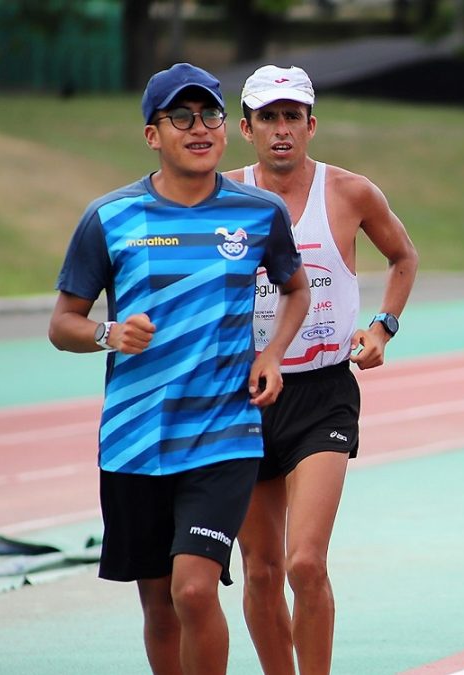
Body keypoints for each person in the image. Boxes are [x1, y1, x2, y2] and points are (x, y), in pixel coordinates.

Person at [48, 62, 311, 675]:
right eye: (182, 117)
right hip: (135, 440)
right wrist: (109, 334)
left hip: (224, 436)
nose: (200, 128)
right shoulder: (110, 218)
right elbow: (64, 322)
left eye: (211, 115)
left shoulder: (258, 213)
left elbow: (295, 290)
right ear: (152, 134)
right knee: (161, 604)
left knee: (194, 590)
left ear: (225, 128)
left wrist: (271, 355)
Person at [223, 64, 418, 675]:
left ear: (311, 125)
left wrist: (383, 325)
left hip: (323, 390)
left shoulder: (350, 192)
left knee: (304, 561)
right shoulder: (221, 195)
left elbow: (403, 257)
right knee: (260, 567)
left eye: (292, 117)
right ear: (246, 128)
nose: (281, 130)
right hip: (244, 396)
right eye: (268, 118)